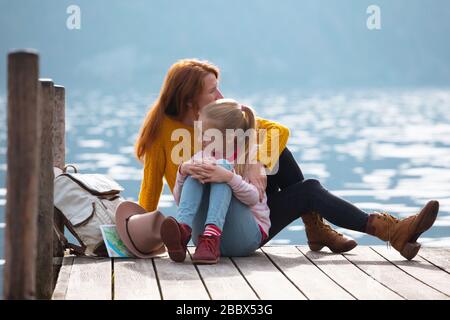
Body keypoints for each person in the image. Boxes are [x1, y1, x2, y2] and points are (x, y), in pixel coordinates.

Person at [136, 59, 439, 260]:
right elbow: (148, 197)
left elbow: (279, 130)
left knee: (276, 149)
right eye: (213, 90)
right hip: (219, 228)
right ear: (190, 98)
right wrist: (136, 240)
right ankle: (364, 229)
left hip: (230, 214)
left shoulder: (219, 117)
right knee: (307, 190)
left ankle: (321, 227)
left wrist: (254, 159)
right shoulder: (161, 135)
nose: (220, 95)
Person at [160, 99, 268, 264]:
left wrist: (229, 177)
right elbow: (179, 201)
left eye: (206, 134)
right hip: (202, 242)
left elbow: (254, 198)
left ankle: (212, 234)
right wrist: (183, 171)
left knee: (220, 167)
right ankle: (183, 231)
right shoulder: (202, 157)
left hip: (244, 238)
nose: (201, 139)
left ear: (230, 137)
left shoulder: (250, 159)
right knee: (197, 167)